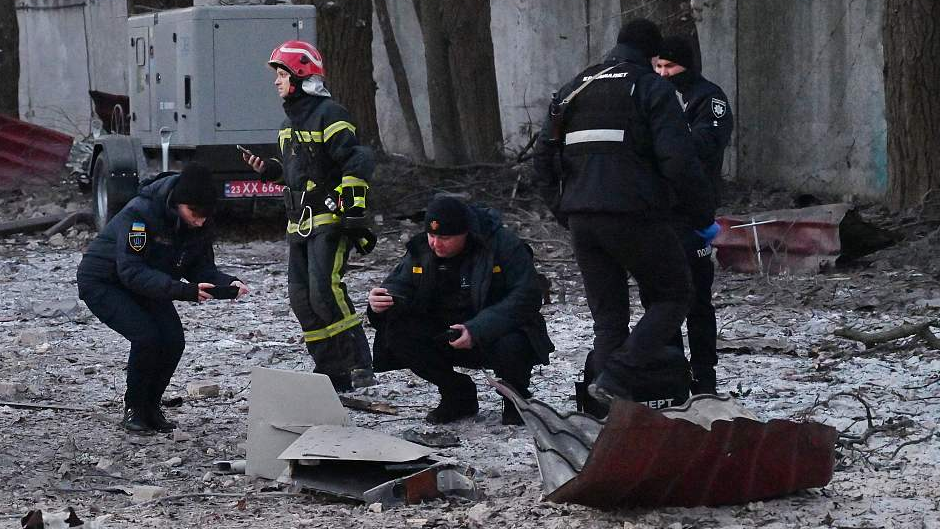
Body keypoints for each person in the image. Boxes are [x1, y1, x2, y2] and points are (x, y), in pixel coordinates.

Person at [532, 19, 715, 411]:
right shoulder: (651, 87)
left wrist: (564, 209)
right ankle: (616, 377)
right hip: (635, 215)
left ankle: (606, 409)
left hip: (583, 218)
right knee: (673, 295)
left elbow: (542, 158)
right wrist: (701, 217)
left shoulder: (574, 88)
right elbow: (679, 162)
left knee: (609, 319)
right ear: (652, 55)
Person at [242, 40, 376, 392]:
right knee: (301, 298)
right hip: (297, 222)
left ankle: (360, 363)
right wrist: (270, 169)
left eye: (282, 74)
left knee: (325, 292)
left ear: (301, 76)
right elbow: (295, 170)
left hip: (328, 220)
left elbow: (356, 160)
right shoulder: (289, 123)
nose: (276, 81)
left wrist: (352, 209)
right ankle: (332, 372)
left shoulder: (331, 115)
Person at [76, 162, 249, 433]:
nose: (199, 221)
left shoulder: (199, 222)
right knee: (147, 337)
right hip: (105, 282)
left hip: (149, 283)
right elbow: (131, 270)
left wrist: (227, 283)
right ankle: (134, 406)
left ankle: (151, 406)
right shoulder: (140, 214)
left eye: (205, 215)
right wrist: (183, 291)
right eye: (194, 213)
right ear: (178, 203)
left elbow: (199, 267)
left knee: (173, 341)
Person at [366, 196, 553, 425]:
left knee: (514, 342)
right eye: (432, 236)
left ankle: (515, 398)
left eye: (445, 238)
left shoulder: (502, 244)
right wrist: (379, 304)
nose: (436, 244)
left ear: (466, 233)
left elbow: (527, 296)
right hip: (446, 333)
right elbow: (398, 286)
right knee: (397, 331)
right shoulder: (421, 249)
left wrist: (477, 329)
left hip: (494, 332)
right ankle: (457, 393)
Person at [650, 35, 734, 394]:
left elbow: (705, 146)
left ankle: (704, 375)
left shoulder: (708, 98)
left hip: (692, 213)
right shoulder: (652, 96)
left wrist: (668, 135)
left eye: (671, 67)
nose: (664, 74)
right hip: (658, 214)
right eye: (658, 67)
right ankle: (670, 369)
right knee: (661, 297)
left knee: (698, 299)